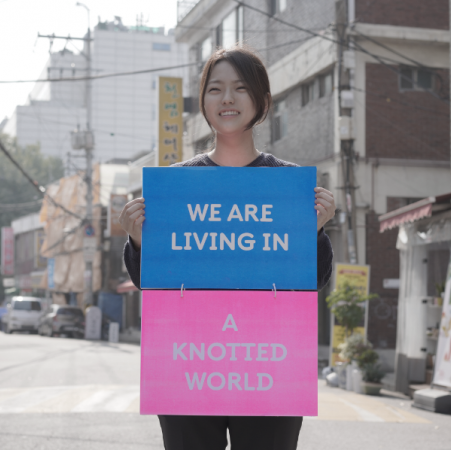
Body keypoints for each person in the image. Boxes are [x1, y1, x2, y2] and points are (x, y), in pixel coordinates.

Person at [119, 46, 335, 450]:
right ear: (203, 102)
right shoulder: (176, 184)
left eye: (240, 88)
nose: (228, 99)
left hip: (271, 362)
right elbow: (153, 286)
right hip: (189, 361)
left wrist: (315, 231)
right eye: (215, 89)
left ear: (263, 101)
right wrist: (137, 240)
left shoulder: (288, 184)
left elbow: (313, 284)